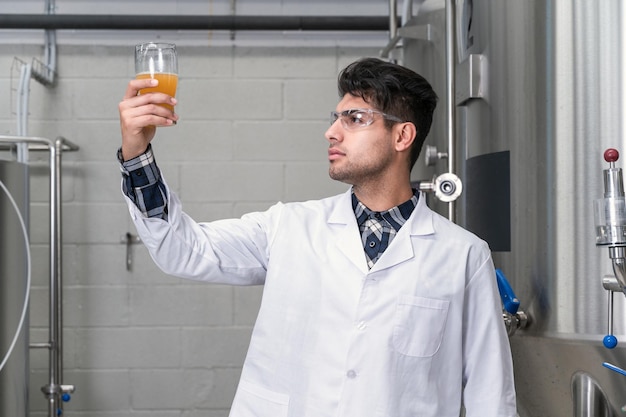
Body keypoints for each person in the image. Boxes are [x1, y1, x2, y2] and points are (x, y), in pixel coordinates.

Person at [117, 57, 517, 417]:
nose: (331, 132)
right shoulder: (288, 227)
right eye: (336, 117)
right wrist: (137, 154)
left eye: (355, 119)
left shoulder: (463, 255)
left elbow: (490, 396)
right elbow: (182, 250)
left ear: (402, 137)